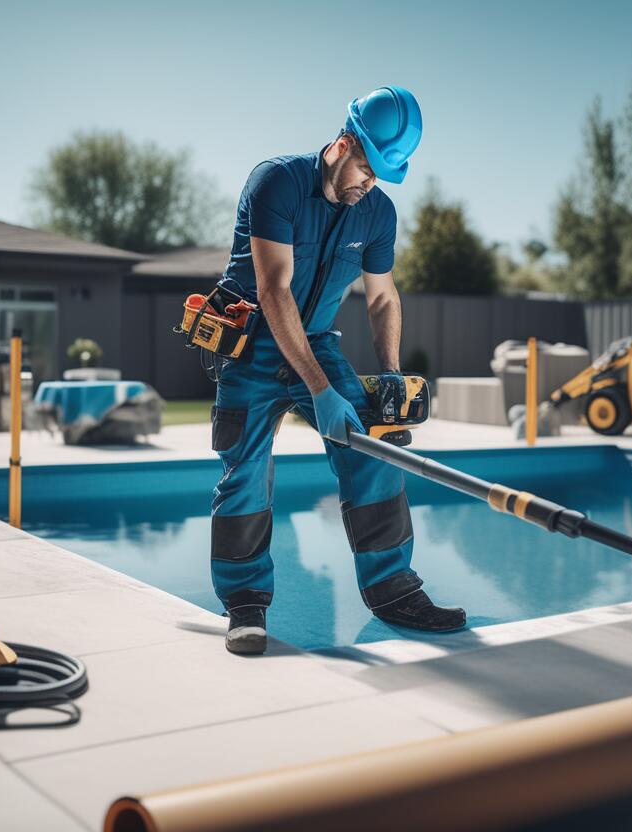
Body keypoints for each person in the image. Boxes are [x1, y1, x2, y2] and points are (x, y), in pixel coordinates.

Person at [210, 86, 467, 655]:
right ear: (344, 143)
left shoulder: (377, 213)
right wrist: (321, 392)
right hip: (252, 343)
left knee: (374, 447)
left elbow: (382, 299)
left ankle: (393, 589)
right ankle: (245, 604)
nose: (368, 184)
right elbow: (274, 292)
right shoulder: (276, 182)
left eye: (380, 177)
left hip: (318, 343)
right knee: (246, 470)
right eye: (366, 170)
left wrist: (393, 371)